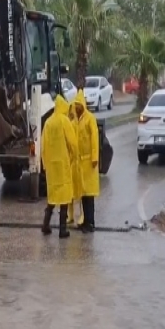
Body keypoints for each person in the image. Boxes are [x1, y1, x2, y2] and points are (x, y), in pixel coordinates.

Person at [41, 95, 79, 238]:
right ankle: (62, 230)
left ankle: (46, 224)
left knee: (52, 197)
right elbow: (73, 143)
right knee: (64, 198)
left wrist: (45, 164)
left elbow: (43, 146)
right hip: (63, 165)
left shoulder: (48, 123)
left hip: (51, 167)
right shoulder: (64, 121)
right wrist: (73, 158)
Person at [72, 90, 100, 233]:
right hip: (80, 163)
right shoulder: (77, 120)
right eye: (75, 105)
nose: (76, 107)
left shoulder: (90, 119)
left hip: (89, 161)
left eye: (78, 105)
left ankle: (91, 222)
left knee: (89, 194)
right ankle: (85, 221)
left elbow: (94, 139)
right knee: (83, 193)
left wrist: (95, 158)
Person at [67, 101, 84, 227]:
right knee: (71, 191)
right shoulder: (71, 124)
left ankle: (81, 215)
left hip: (81, 162)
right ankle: (71, 215)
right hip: (73, 162)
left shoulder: (83, 122)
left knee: (81, 191)